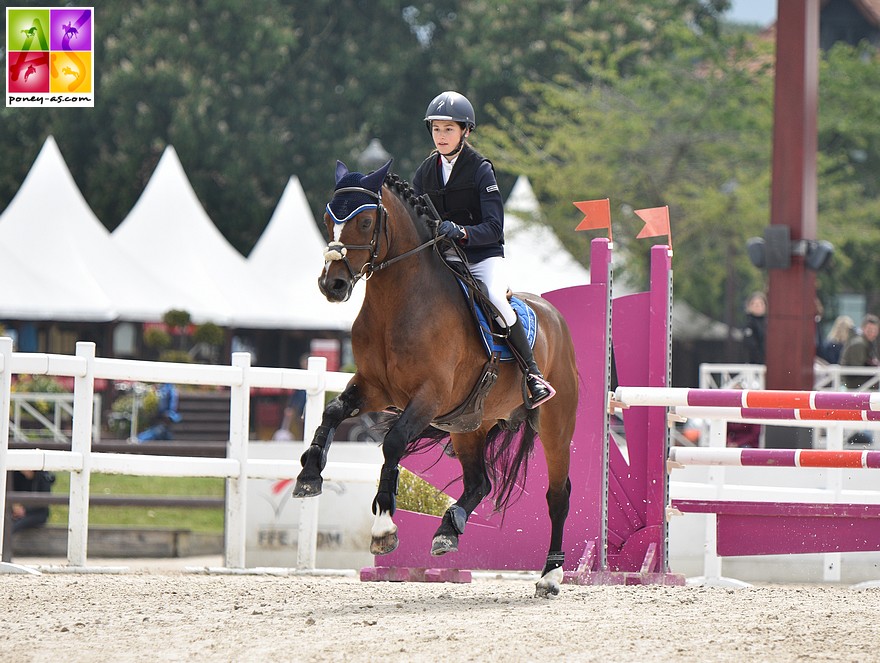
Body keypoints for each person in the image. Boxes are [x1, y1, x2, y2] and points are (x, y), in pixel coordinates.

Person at [412, 90, 553, 407]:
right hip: (445, 259)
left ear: (465, 131)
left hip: (481, 256)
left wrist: (460, 231)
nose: (442, 136)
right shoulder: (424, 172)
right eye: (436, 129)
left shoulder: (480, 169)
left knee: (493, 297)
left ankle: (532, 375)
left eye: (449, 129)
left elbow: (494, 227)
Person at [840, 314, 880, 445]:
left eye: (874, 330)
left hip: (860, 387)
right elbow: (856, 370)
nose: (872, 333)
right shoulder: (859, 343)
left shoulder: (866, 343)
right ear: (863, 328)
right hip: (857, 388)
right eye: (869, 330)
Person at [742, 291, 767, 364]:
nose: (758, 306)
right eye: (754, 304)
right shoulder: (749, 324)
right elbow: (750, 346)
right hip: (754, 364)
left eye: (760, 304)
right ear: (749, 306)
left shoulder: (769, 323)